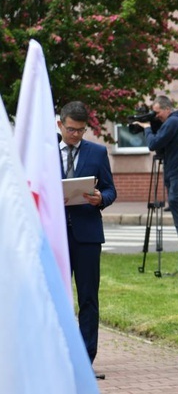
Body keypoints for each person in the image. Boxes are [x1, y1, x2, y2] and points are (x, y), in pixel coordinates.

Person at [58, 101, 117, 372]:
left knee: (88, 298)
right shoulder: (44, 152)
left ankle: (84, 361)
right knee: (57, 298)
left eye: (81, 131)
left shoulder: (96, 152)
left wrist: (99, 199)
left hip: (87, 235)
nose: (76, 135)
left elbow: (110, 190)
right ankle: (56, 358)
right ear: (60, 125)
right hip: (55, 235)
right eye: (71, 130)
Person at [135, 96, 178, 242]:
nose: (156, 116)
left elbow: (153, 144)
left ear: (167, 109)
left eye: (157, 112)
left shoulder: (172, 122)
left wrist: (147, 127)